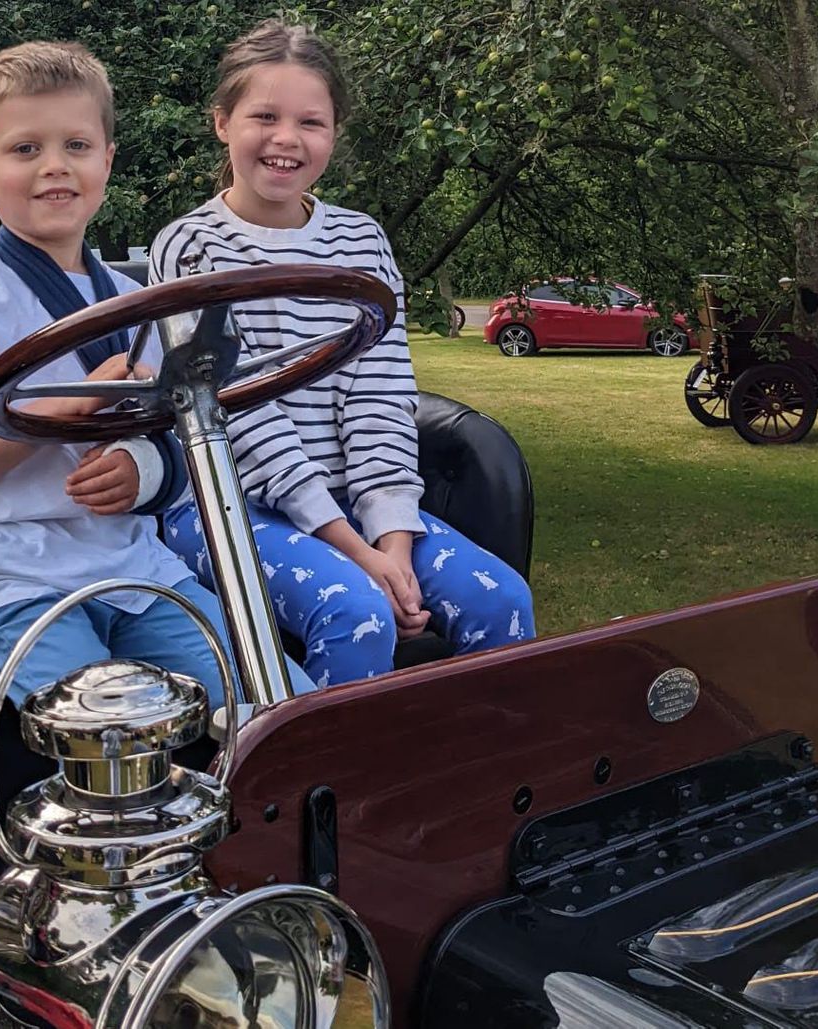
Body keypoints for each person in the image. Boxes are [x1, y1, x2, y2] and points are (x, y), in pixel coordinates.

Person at [0, 40, 313, 707]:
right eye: (26, 149)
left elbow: (177, 438)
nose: (55, 166)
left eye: (76, 145)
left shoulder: (141, 300)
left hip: (143, 574)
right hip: (16, 586)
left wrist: (145, 469)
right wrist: (64, 407)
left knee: (284, 708)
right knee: (114, 739)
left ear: (107, 159)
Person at [151, 19, 535, 688]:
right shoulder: (190, 249)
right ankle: (329, 761)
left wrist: (393, 542)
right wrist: (356, 552)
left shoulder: (361, 243)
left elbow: (382, 394)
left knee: (502, 600)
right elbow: (239, 412)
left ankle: (469, 751)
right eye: (264, 116)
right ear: (222, 123)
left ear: (334, 134)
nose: (286, 139)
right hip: (224, 504)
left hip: (356, 502)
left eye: (311, 122)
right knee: (356, 611)